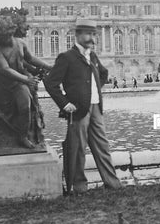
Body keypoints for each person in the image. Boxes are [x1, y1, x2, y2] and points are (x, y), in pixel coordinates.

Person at [45, 18, 122, 194]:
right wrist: (65, 103)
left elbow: (103, 74)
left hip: (95, 107)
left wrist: (92, 91)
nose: (91, 38)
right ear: (77, 35)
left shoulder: (93, 56)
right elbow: (51, 83)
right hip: (78, 110)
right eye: (88, 34)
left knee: (103, 146)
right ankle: (79, 188)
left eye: (93, 34)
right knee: (78, 148)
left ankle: (113, 183)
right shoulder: (66, 58)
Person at [0, 15, 51, 149]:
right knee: (1, 113)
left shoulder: (21, 44)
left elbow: (31, 58)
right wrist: (27, 79)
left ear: (9, 33)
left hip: (18, 83)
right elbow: (5, 70)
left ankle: (22, 136)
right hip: (3, 86)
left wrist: (48, 66)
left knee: (25, 106)